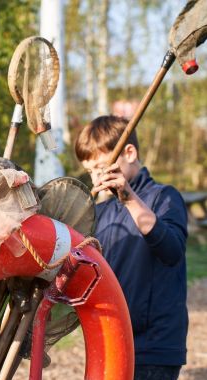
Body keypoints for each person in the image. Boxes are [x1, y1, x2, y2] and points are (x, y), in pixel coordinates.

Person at [75, 115, 188, 380]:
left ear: (129, 152)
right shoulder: (98, 212)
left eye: (101, 167)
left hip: (154, 347)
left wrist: (127, 197)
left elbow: (172, 251)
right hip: (111, 340)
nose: (96, 178)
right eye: (90, 171)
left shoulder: (164, 197)